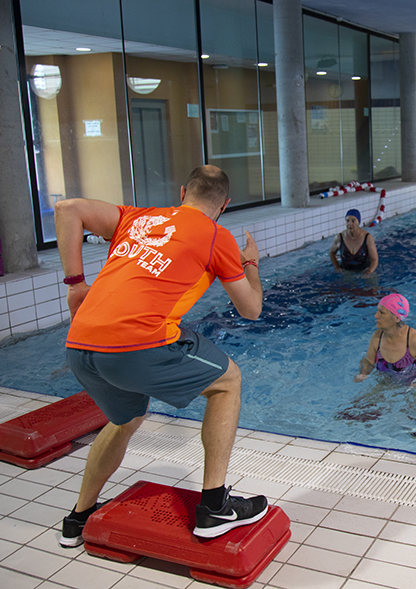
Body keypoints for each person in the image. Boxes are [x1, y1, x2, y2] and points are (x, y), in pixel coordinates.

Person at [54, 165, 267, 548]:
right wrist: (249, 262)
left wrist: (75, 286)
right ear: (225, 205)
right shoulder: (216, 236)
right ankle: (215, 507)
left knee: (126, 419)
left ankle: (79, 517)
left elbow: (68, 209)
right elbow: (251, 310)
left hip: (80, 347)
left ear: (182, 190)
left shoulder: (137, 217)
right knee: (228, 382)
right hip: (136, 347)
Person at [355, 294, 416, 383]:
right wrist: (363, 373)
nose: (376, 316)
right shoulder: (377, 337)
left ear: (397, 318)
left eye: (382, 312)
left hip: (412, 386)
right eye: (377, 311)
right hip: (387, 384)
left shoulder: (413, 340)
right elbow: (368, 361)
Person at [329, 209, 378, 275]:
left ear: (358, 222)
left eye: (353, 221)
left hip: (365, 271)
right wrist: (336, 267)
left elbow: (374, 260)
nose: (350, 224)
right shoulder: (339, 237)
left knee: (373, 283)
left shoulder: (367, 238)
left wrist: (368, 272)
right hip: (346, 272)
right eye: (347, 221)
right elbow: (332, 253)